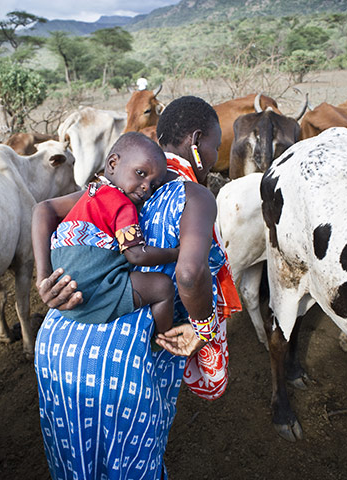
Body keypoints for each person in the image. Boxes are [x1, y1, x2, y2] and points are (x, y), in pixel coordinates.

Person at [32, 95, 242, 479]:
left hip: (57, 346)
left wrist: (43, 279)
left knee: (75, 464)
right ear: (197, 142)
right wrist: (204, 329)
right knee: (131, 468)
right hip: (121, 364)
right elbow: (189, 274)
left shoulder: (108, 186)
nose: (216, 154)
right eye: (215, 144)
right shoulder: (194, 195)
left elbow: (44, 210)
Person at [34, 132, 177, 335]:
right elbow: (136, 254)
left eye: (154, 185)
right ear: (112, 164)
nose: (146, 187)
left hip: (64, 292)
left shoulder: (90, 194)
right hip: (92, 297)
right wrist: (175, 253)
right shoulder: (123, 205)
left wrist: (43, 275)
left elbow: (43, 209)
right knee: (163, 288)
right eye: (141, 173)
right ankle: (162, 339)